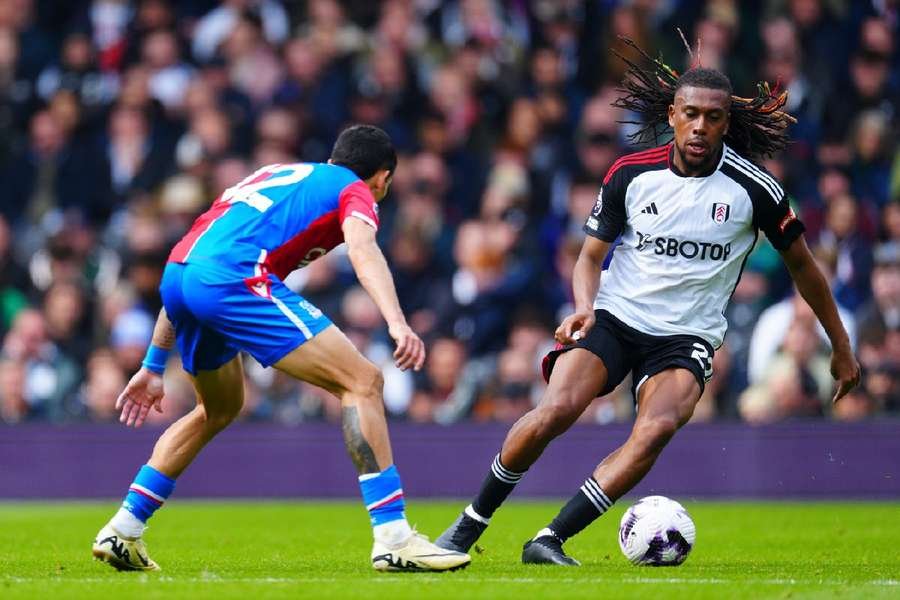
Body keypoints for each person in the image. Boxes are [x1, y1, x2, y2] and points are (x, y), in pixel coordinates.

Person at [435, 44, 860, 565]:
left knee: (656, 428)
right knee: (557, 410)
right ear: (671, 116)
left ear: (727, 123)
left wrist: (840, 345)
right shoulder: (631, 173)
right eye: (691, 115)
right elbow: (588, 258)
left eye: (713, 117)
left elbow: (805, 268)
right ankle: (466, 526)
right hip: (615, 316)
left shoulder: (757, 190)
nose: (700, 127)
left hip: (686, 337)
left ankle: (549, 539)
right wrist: (584, 307)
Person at [91, 125, 470, 573]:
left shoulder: (275, 174)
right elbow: (363, 248)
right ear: (382, 178)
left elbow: (196, 256)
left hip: (179, 275)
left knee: (219, 407)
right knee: (364, 382)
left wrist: (154, 365)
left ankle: (124, 528)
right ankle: (393, 536)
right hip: (232, 279)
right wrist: (397, 321)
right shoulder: (354, 189)